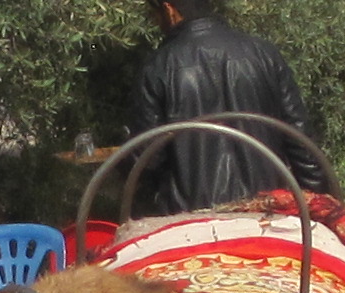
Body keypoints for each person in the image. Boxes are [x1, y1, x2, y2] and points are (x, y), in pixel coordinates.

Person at [131, 0, 329, 215]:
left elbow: (148, 159)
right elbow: (301, 142)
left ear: (169, 10)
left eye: (155, 15)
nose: (155, 22)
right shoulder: (265, 54)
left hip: (191, 217)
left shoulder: (157, 67)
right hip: (266, 210)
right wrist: (318, 203)